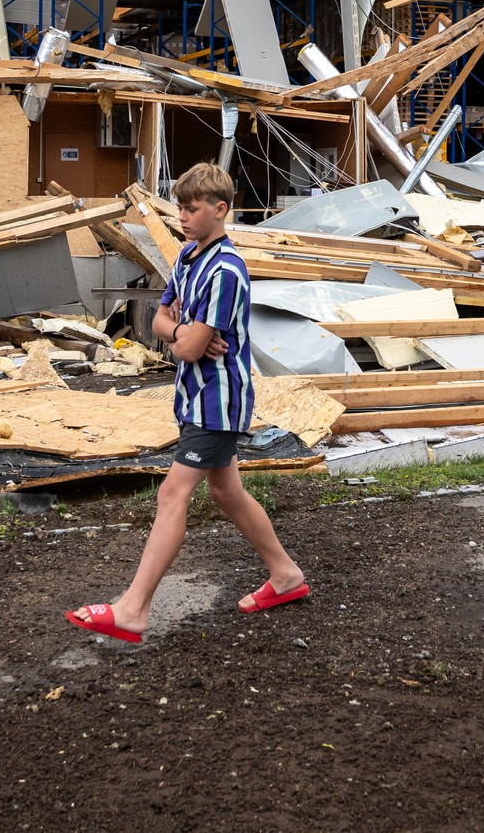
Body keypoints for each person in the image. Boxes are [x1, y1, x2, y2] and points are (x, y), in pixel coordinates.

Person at [66, 162, 305, 643]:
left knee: (172, 494)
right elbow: (161, 324)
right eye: (178, 206)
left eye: (191, 209)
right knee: (226, 492)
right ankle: (286, 576)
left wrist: (184, 337)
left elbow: (191, 349)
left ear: (220, 210)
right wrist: (182, 332)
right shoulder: (188, 258)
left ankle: (132, 610)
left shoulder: (227, 270)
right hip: (195, 395)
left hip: (219, 401)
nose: (181, 216)